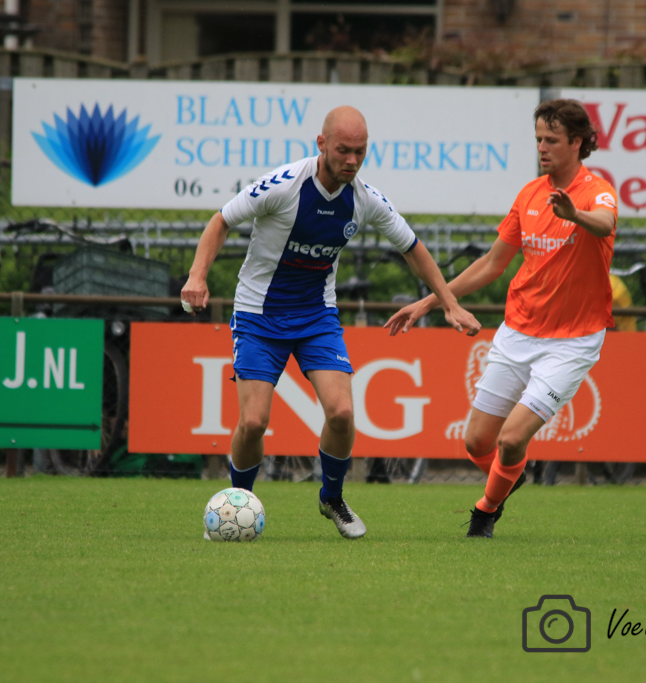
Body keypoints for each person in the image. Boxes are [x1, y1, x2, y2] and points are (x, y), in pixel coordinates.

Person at [181, 106, 481, 539]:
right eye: (343, 150)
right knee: (254, 422)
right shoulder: (284, 185)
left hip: (316, 316)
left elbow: (413, 248)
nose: (352, 161)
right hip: (258, 314)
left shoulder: (365, 199)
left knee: (342, 413)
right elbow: (221, 221)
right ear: (321, 144)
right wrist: (197, 275)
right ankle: (237, 504)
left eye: (361, 151)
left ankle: (332, 498)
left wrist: (448, 303)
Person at [386, 99, 618, 538]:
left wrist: (575, 215)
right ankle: (509, 475)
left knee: (511, 439)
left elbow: (605, 224)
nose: (542, 147)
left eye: (551, 140)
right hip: (518, 332)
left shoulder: (596, 191)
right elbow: (492, 264)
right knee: (476, 442)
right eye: (538, 139)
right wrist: (429, 302)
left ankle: (485, 511)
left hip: (571, 342)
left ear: (577, 142)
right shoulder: (530, 195)